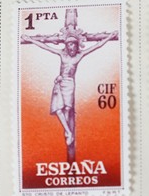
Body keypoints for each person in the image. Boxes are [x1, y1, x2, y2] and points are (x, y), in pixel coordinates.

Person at [21, 9, 117, 147]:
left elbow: (97, 45)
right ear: (66, 46)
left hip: (70, 83)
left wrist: (109, 37)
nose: (71, 48)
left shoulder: (80, 55)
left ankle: (68, 133)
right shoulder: (62, 54)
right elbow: (45, 47)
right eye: (69, 45)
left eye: (73, 45)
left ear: (76, 45)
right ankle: (69, 132)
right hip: (60, 82)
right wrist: (30, 40)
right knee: (58, 109)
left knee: (67, 108)